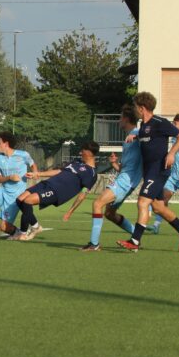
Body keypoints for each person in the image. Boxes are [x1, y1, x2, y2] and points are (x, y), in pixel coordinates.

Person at [117, 92, 179, 253]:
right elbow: (149, 139)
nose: (135, 110)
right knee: (158, 207)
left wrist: (171, 153)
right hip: (149, 170)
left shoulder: (160, 122)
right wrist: (134, 138)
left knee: (142, 202)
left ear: (142, 108)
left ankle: (135, 240)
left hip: (159, 170)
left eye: (136, 107)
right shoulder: (143, 126)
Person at [64, 105, 141, 252]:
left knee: (97, 203)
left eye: (120, 117)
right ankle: (136, 237)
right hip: (124, 178)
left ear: (126, 119)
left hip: (126, 181)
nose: (119, 120)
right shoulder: (128, 138)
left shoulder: (137, 134)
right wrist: (115, 164)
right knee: (109, 214)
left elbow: (151, 136)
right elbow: (128, 167)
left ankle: (94, 244)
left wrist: (138, 136)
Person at [12, 141, 99, 241]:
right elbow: (59, 171)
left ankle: (22, 233)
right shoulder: (76, 162)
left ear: (88, 153)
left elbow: (83, 194)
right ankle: (35, 227)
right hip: (47, 183)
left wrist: (70, 211)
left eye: (82, 150)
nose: (80, 153)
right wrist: (37, 174)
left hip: (56, 192)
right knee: (20, 199)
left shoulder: (91, 173)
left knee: (28, 201)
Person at [0, 131, 38, 239]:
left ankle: (18, 233)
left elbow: (33, 165)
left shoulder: (23, 154)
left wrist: (34, 174)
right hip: (2, 191)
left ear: (6, 143)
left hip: (15, 197)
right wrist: (9, 177)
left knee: (4, 227)